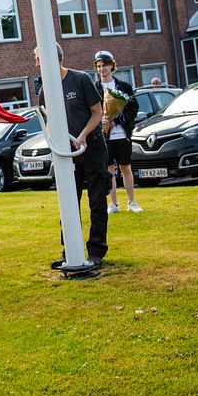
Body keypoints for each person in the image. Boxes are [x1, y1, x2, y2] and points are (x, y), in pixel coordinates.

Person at [35, 43, 110, 272]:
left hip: (93, 147)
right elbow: (48, 121)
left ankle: (96, 251)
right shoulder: (44, 90)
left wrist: (83, 135)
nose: (36, 64)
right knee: (69, 202)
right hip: (67, 155)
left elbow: (98, 112)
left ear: (52, 58)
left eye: (38, 58)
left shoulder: (80, 80)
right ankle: (69, 251)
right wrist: (52, 140)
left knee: (97, 200)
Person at [95, 50, 143, 214]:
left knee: (125, 168)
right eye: (99, 66)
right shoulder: (94, 88)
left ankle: (132, 202)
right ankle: (113, 204)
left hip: (122, 134)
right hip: (103, 136)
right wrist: (101, 120)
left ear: (111, 66)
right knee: (109, 170)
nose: (102, 69)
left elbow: (133, 107)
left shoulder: (124, 86)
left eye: (105, 65)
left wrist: (117, 120)